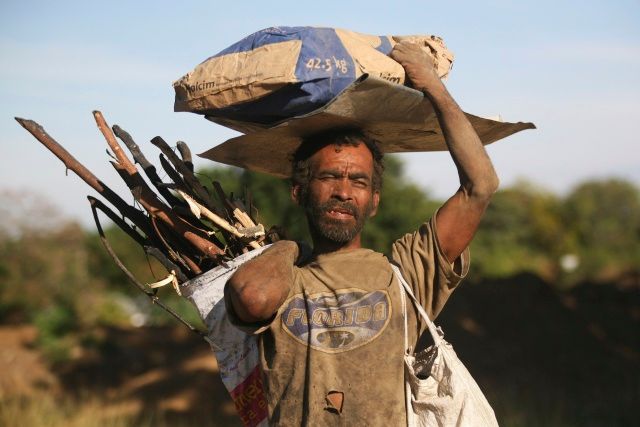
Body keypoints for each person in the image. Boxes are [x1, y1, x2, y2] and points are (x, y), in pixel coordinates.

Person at [224, 41, 499, 425]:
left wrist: (432, 85)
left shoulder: (406, 275)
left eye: (358, 181)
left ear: (373, 200)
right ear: (299, 191)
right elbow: (252, 298)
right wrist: (287, 247)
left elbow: (480, 185)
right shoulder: (284, 277)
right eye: (329, 177)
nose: (342, 191)